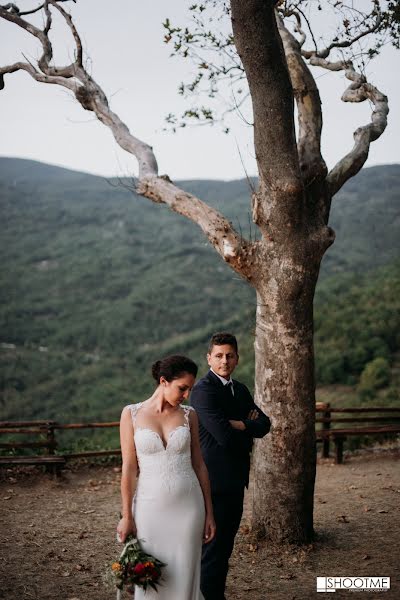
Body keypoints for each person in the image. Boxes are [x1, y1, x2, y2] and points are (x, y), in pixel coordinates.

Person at [117, 354, 216, 600]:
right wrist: (127, 516)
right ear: (163, 381)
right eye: (182, 388)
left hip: (189, 508)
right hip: (149, 510)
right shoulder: (130, 414)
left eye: (189, 390)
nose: (186, 395)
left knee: (184, 575)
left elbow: (199, 465)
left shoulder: (189, 415)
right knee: (151, 580)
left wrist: (209, 513)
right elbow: (129, 468)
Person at [190, 332, 271, 600]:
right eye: (219, 355)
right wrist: (245, 426)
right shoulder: (203, 391)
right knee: (212, 549)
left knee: (225, 548)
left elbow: (264, 425)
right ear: (209, 358)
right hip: (213, 482)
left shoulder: (241, 389)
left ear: (237, 358)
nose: (225, 360)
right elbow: (223, 438)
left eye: (230, 355)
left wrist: (238, 424)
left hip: (236, 480)